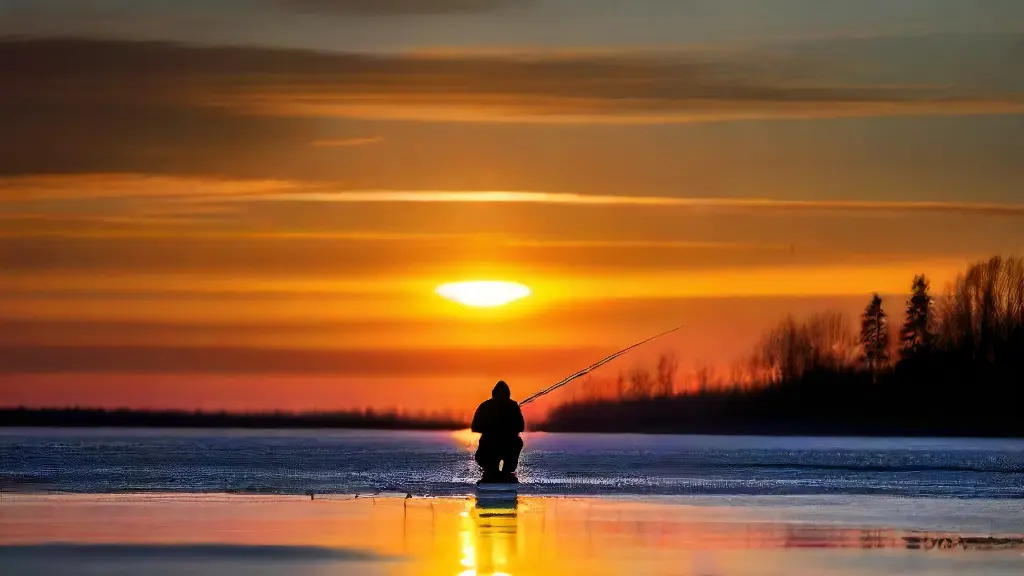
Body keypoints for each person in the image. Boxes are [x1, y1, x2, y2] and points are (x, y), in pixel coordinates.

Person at [471, 380, 525, 483]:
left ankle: (502, 472)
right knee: (515, 442)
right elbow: (521, 426)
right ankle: (494, 472)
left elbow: (475, 427)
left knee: (516, 442)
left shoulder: (486, 406)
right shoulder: (512, 406)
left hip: (505, 446)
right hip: (492, 447)